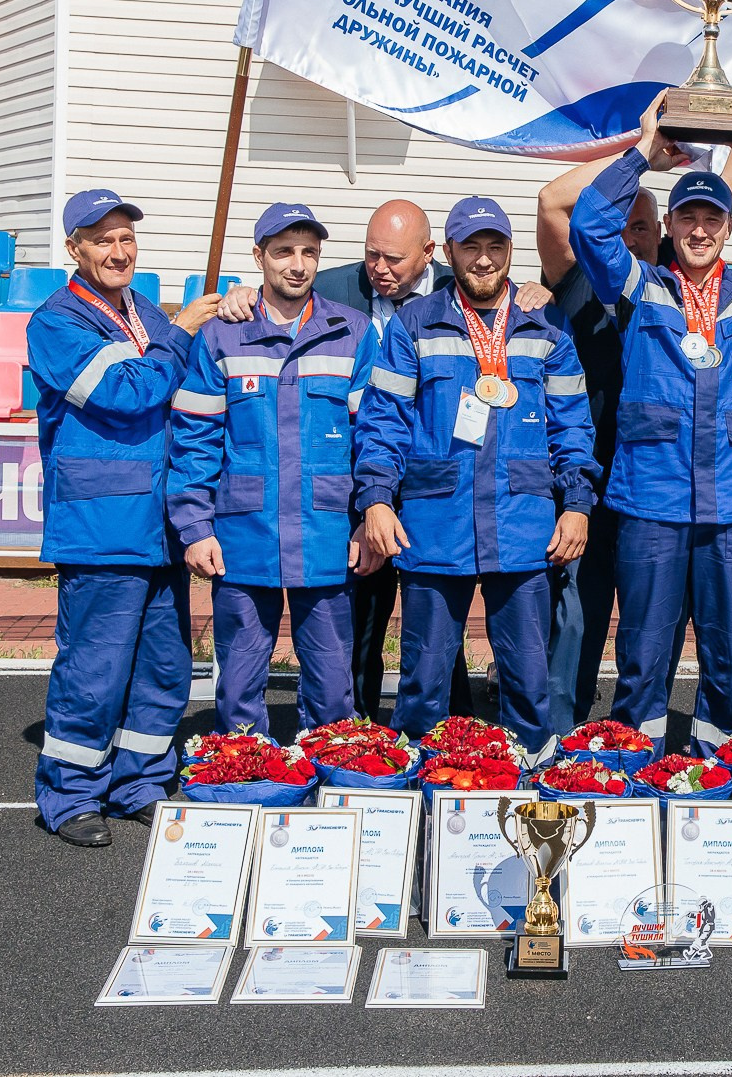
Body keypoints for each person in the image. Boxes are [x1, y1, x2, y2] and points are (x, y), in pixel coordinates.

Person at [570, 75, 732, 755]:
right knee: (642, 659)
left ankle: (719, 781)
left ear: (727, 226)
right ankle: (634, 778)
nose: (698, 229)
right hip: (652, 504)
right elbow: (586, 225)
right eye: (686, 217)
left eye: (711, 218)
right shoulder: (640, 287)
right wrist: (641, 151)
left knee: (725, 665)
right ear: (669, 226)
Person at [532, 40, 732, 735]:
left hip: (668, 477)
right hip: (594, 474)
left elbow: (726, 185)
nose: (636, 234)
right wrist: (643, 149)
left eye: (647, 225)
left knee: (667, 626)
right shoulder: (588, 279)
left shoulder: (679, 285)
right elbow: (560, 203)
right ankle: (568, 731)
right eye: (627, 224)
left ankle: (658, 739)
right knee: (583, 615)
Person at [218, 199, 541, 722]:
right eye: (372, 257)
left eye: (394, 260)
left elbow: (495, 281)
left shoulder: (455, 288)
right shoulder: (335, 287)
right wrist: (240, 297)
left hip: (432, 500)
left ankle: (452, 729)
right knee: (360, 627)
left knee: (436, 639)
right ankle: (360, 733)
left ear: (431, 255)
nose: (380, 271)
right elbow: (282, 293)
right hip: (359, 495)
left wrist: (537, 290)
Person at [355, 197, 597, 756]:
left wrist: (577, 505)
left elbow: (573, 431)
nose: (484, 260)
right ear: (448, 253)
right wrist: (376, 500)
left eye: (495, 247)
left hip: (524, 527)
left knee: (528, 686)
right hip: (435, 526)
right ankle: (425, 802)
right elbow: (383, 423)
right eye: (472, 247)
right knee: (423, 685)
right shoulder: (413, 325)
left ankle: (532, 808)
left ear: (511, 251)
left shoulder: (548, 328)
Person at [28, 189, 222, 848]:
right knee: (94, 671)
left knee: (163, 668)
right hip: (102, 526)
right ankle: (70, 791)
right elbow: (127, 391)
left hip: (162, 521)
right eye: (102, 238)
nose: (118, 250)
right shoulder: (55, 321)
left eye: (126, 238)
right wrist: (182, 329)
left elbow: (185, 383)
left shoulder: (144, 311)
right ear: (74, 248)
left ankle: (140, 779)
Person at [168, 203, 378, 736]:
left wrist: (367, 518)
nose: (298, 264)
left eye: (309, 252)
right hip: (244, 535)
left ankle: (334, 787)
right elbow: (195, 439)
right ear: (258, 256)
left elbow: (374, 440)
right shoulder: (221, 335)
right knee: (237, 683)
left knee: (334, 687)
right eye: (283, 251)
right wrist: (195, 529)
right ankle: (243, 783)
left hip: (329, 535)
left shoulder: (352, 332)